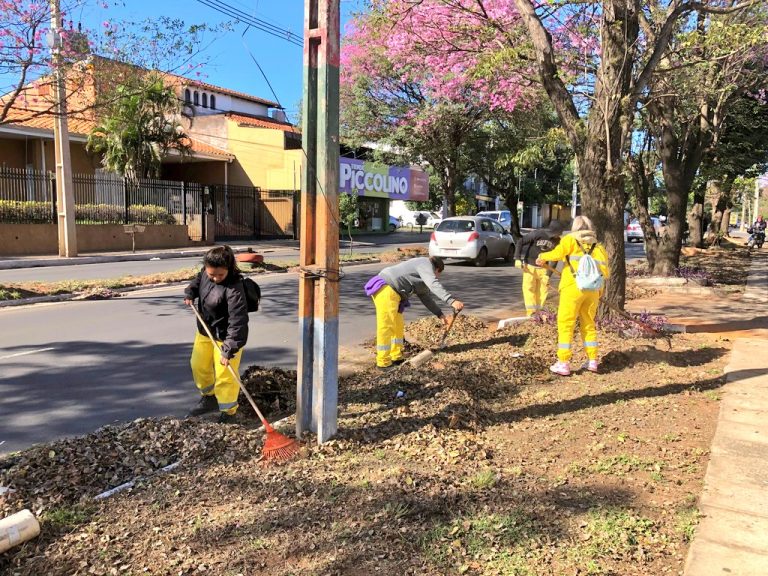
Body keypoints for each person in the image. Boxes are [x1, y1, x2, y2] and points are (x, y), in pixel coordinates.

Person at [536, 216, 609, 376]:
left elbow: (557, 254)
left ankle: (563, 363)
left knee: (566, 324)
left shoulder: (569, 240)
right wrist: (599, 291)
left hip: (572, 287)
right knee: (588, 324)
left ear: (575, 227)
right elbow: (605, 272)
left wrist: (542, 257)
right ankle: (592, 361)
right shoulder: (598, 246)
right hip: (593, 291)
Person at [183, 246, 249, 423]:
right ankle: (209, 398)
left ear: (229, 268)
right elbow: (197, 282)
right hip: (205, 331)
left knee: (225, 376)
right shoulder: (205, 273)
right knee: (198, 366)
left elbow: (238, 322)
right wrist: (190, 293)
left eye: (220, 275)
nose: (215, 278)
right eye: (211, 274)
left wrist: (229, 350)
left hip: (227, 338)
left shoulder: (235, 289)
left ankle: (229, 412)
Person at [364, 256, 464, 371]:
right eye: (438, 274)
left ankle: (396, 357)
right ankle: (383, 363)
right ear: (437, 269)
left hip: (394, 293)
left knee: (398, 326)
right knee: (386, 326)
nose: (437, 277)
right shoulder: (425, 264)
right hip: (386, 288)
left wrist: (440, 314)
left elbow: (425, 297)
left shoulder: (421, 275)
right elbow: (433, 283)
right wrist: (451, 301)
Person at [513, 220, 563, 316]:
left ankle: (539, 313)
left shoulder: (557, 241)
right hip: (529, 266)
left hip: (544, 268)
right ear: (554, 231)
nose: (559, 235)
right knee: (529, 289)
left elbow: (555, 259)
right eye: (559, 233)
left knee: (543, 291)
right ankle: (531, 313)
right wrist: (517, 258)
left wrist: (548, 275)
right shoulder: (537, 234)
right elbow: (520, 242)